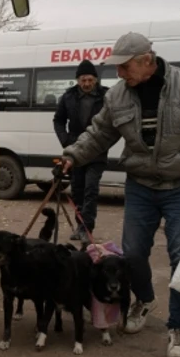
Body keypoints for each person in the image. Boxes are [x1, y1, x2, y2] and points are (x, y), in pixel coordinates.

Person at [60, 32, 180, 357]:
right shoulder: (117, 97)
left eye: (124, 67)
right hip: (140, 184)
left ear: (146, 60)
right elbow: (99, 134)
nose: (119, 74)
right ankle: (143, 298)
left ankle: (179, 329)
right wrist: (72, 155)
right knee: (134, 254)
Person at [53, 59, 108, 244]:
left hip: (97, 151)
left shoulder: (106, 96)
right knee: (77, 190)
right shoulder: (68, 97)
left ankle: (87, 228)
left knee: (91, 190)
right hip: (75, 152)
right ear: (78, 80)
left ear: (96, 80)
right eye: (83, 80)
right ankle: (79, 225)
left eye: (90, 80)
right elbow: (58, 120)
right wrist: (66, 141)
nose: (86, 84)